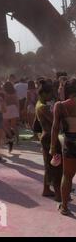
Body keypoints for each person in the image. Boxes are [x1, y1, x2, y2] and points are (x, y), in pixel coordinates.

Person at [51, 78, 76, 215]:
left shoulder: (60, 105)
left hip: (70, 142)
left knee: (67, 176)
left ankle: (65, 207)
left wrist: (52, 147)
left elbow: (55, 128)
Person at [36, 80, 62, 202]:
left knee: (49, 164)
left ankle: (46, 189)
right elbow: (55, 121)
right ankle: (58, 194)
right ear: (45, 94)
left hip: (45, 136)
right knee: (56, 166)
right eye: (51, 93)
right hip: (49, 138)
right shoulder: (43, 107)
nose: (52, 96)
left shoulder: (40, 104)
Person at [2, 81, 20, 152]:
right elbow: (17, 101)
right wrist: (18, 111)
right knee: (14, 125)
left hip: (7, 109)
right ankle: (18, 140)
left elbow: (3, 101)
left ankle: (10, 137)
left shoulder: (4, 92)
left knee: (5, 125)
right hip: (14, 108)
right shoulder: (14, 92)